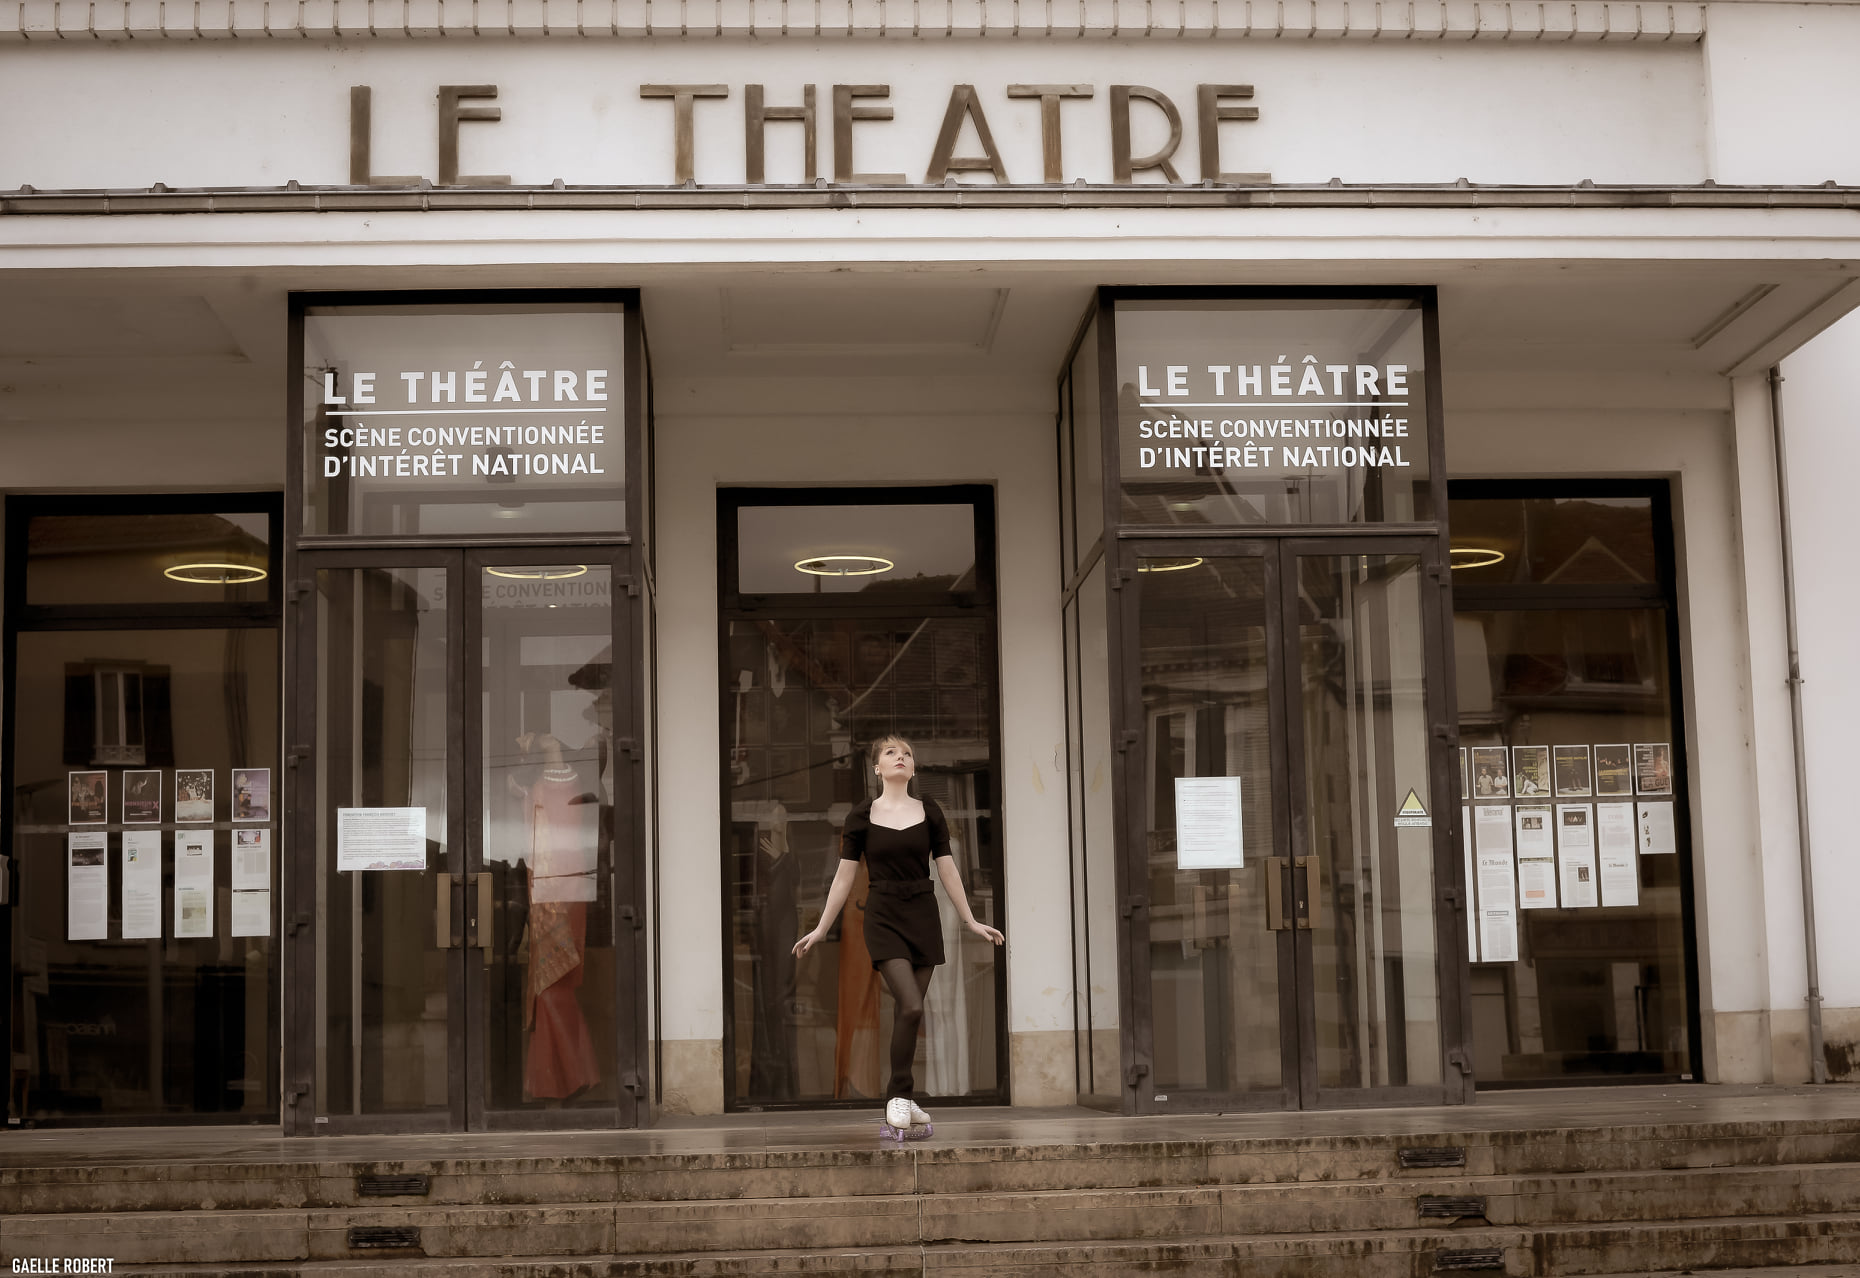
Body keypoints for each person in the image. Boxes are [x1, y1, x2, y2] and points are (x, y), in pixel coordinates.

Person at [793, 735, 1004, 1133]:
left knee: (909, 1009)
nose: (901, 757)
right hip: (883, 916)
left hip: (923, 915)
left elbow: (947, 868)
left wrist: (971, 920)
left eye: (907, 753)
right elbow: (844, 876)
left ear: (913, 767)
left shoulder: (930, 811)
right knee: (910, 1006)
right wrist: (821, 927)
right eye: (891, 753)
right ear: (877, 768)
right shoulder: (861, 816)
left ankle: (903, 1099)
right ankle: (898, 1096)